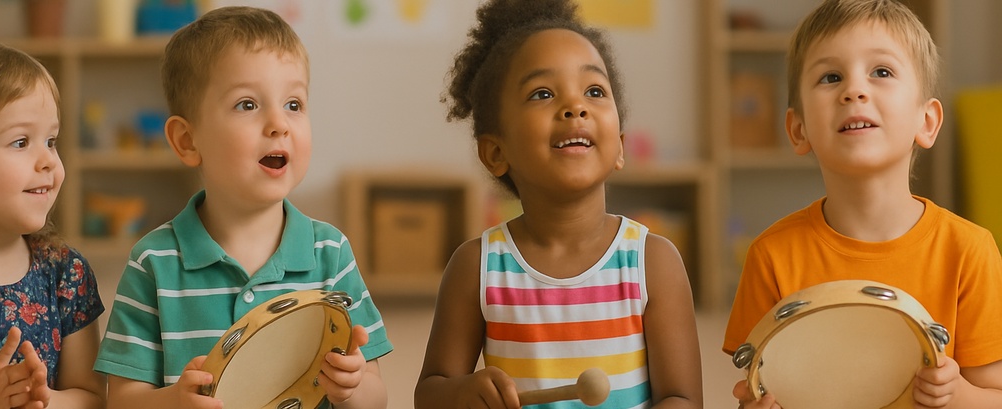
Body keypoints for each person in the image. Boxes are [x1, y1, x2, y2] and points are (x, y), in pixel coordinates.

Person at [92, 7, 392, 409]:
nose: (279, 124)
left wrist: (352, 388)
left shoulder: (331, 252)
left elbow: (376, 395)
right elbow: (122, 401)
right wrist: (173, 402)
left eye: (294, 104)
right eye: (247, 105)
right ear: (187, 141)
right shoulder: (153, 263)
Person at [414, 1, 703, 408]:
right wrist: (463, 393)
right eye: (543, 93)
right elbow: (429, 394)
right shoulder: (476, 267)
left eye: (594, 91)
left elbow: (683, 398)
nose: (575, 106)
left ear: (620, 147)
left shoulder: (653, 263)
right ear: (496, 152)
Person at [722, 0, 1002, 408]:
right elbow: (755, 387)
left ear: (926, 121)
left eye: (881, 72)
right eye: (831, 77)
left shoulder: (970, 251)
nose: (854, 90)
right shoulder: (771, 256)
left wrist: (958, 395)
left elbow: (994, 396)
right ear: (798, 130)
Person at [0, 39, 107, 409]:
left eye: (51, 141)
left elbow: (92, 398)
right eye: (21, 142)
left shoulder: (66, 273)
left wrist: (45, 401)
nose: (48, 160)